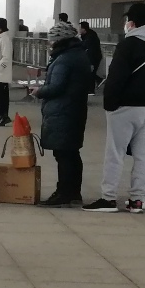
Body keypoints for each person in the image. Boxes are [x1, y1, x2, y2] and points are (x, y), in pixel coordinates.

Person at [85, 2, 145, 213]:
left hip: (125, 106)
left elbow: (116, 76)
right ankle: (137, 200)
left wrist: (110, 103)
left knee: (115, 152)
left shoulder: (128, 44)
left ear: (131, 22)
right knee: (143, 154)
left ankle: (109, 198)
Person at [35, 34, 93, 206]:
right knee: (72, 153)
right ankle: (74, 192)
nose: (49, 42)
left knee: (63, 154)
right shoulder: (79, 55)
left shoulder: (63, 59)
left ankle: (64, 192)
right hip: (74, 109)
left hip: (63, 111)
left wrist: (39, 91)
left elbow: (56, 86)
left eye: (52, 38)